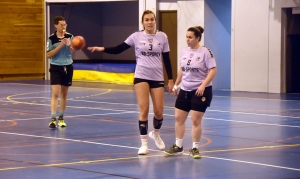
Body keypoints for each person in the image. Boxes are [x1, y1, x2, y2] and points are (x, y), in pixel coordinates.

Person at [88, 10, 174, 155]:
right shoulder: (136, 36)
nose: (150, 22)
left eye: (152, 19)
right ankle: (144, 143)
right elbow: (119, 49)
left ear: (155, 21)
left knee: (159, 112)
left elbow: (167, 58)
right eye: (146, 20)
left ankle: (156, 133)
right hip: (141, 76)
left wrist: (170, 79)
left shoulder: (162, 36)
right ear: (143, 22)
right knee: (144, 109)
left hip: (157, 77)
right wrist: (101, 49)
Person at [164, 26, 217, 159]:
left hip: (200, 91)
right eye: (186, 37)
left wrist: (203, 86)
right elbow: (182, 69)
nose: (187, 39)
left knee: (195, 120)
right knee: (178, 118)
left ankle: (195, 148)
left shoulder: (205, 52)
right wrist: (176, 85)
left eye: (190, 37)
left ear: (197, 38)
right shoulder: (185, 51)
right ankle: (178, 146)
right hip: (185, 90)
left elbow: (213, 70)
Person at [46, 16, 74, 129]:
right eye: (61, 25)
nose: (63, 27)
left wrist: (71, 46)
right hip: (56, 67)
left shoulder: (70, 36)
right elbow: (48, 55)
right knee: (55, 94)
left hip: (67, 66)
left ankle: (61, 118)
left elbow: (73, 48)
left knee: (64, 94)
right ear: (56, 25)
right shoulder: (51, 38)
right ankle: (53, 119)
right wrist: (61, 45)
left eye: (65, 25)